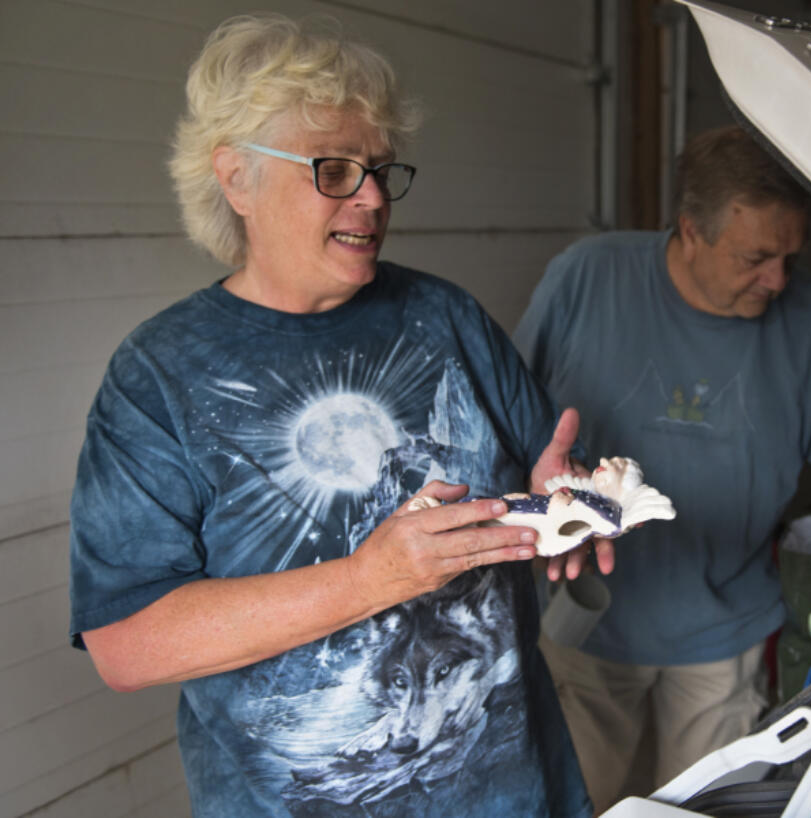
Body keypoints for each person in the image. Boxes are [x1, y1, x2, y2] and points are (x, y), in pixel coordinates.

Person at [68, 14, 606, 817]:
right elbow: (126, 643)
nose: (375, 197)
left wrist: (566, 500)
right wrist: (370, 579)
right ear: (237, 179)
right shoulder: (159, 374)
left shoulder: (444, 316)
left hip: (510, 792)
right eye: (335, 169)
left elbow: (536, 475)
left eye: (382, 169)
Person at [512, 124, 811, 811]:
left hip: (726, 633)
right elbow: (510, 431)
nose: (776, 280)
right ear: (690, 230)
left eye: (790, 259)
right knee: (576, 801)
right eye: (755, 257)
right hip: (587, 623)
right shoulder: (587, 278)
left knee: (711, 808)